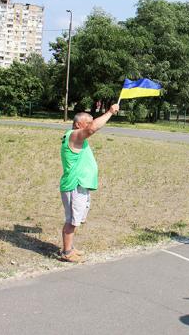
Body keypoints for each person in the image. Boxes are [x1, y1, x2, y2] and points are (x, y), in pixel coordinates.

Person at [58, 104, 119, 262]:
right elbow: (92, 129)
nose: (91, 124)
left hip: (81, 185)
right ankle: (66, 253)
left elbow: (91, 128)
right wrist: (110, 112)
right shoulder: (74, 135)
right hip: (74, 185)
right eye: (88, 122)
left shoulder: (78, 137)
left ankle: (70, 247)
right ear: (78, 124)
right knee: (71, 220)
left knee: (76, 219)